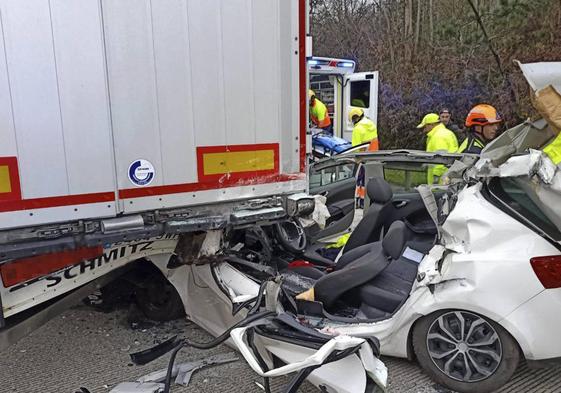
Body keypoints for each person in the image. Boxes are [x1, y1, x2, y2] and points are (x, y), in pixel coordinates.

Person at [349, 107, 379, 208]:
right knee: (369, 180)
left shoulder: (358, 129)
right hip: (373, 157)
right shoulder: (371, 124)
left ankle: (360, 202)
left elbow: (356, 148)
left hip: (362, 159)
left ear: (355, 119)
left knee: (360, 181)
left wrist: (355, 160)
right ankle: (368, 201)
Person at [417, 113, 458, 184]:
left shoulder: (438, 136)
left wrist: (436, 177)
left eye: (425, 127)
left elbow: (440, 158)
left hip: (440, 181)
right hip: (448, 176)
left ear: (431, 125)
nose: (424, 130)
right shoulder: (447, 133)